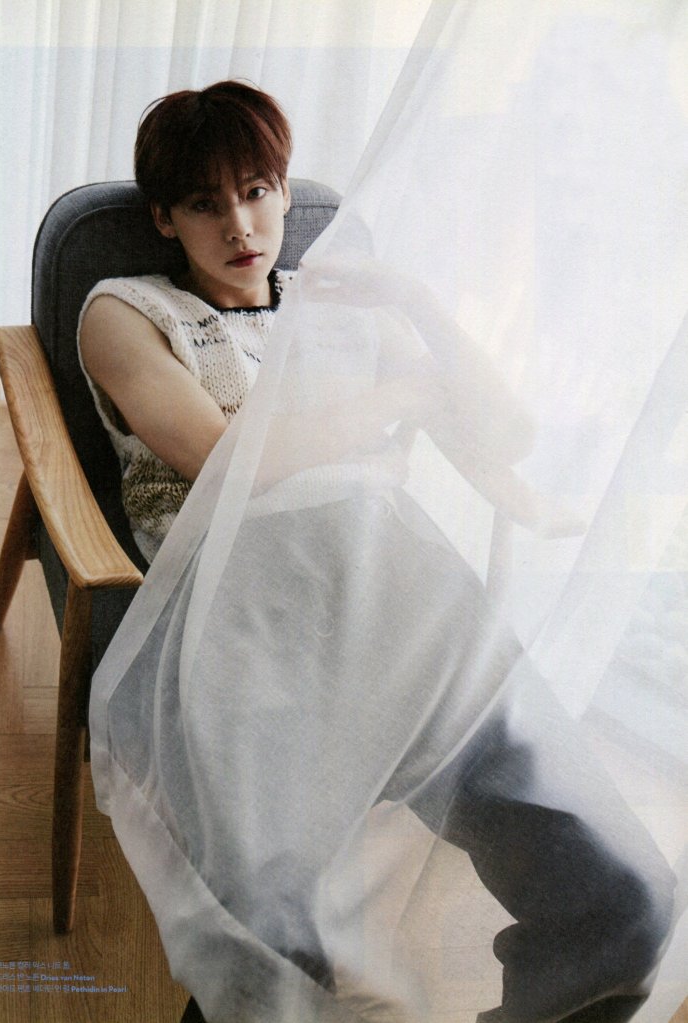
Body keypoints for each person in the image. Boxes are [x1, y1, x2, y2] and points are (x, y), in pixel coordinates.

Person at [79, 81, 676, 1023]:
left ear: (284, 192)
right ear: (164, 217)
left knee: (629, 900)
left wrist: (412, 302)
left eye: (258, 190)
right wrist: (402, 394)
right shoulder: (127, 312)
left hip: (404, 603)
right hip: (245, 615)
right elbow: (227, 463)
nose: (240, 224)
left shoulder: (338, 309)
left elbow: (508, 434)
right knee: (274, 952)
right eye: (204, 202)